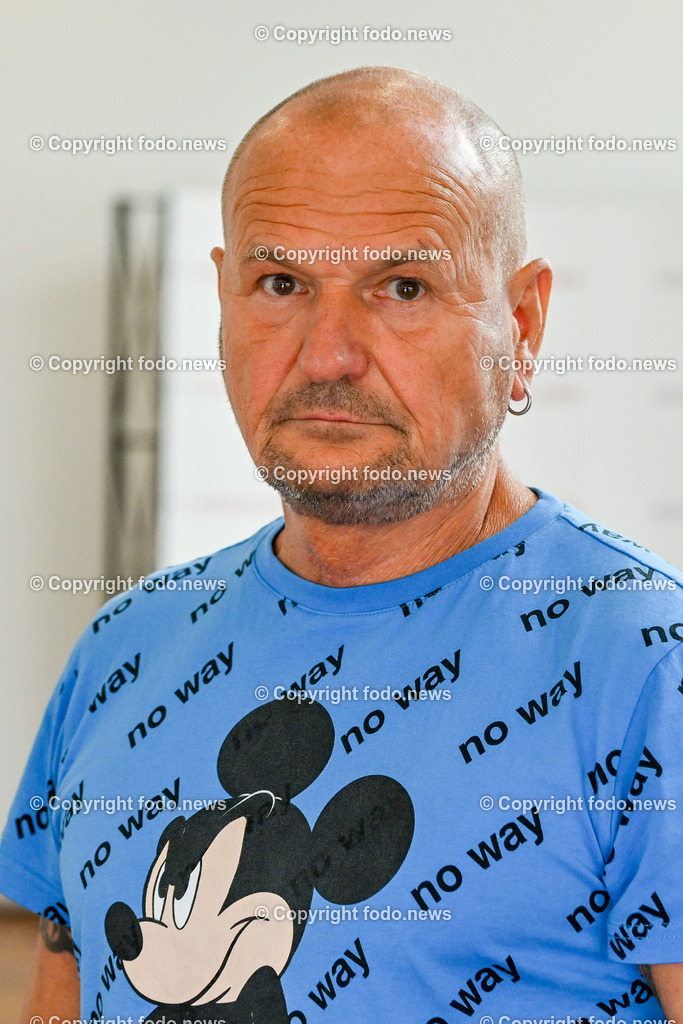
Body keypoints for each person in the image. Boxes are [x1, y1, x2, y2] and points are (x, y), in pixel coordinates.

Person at [2, 65, 682, 1024]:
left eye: (401, 286)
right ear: (224, 301)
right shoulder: (125, 646)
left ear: (521, 326)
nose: (326, 354)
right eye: (279, 282)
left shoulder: (646, 664)